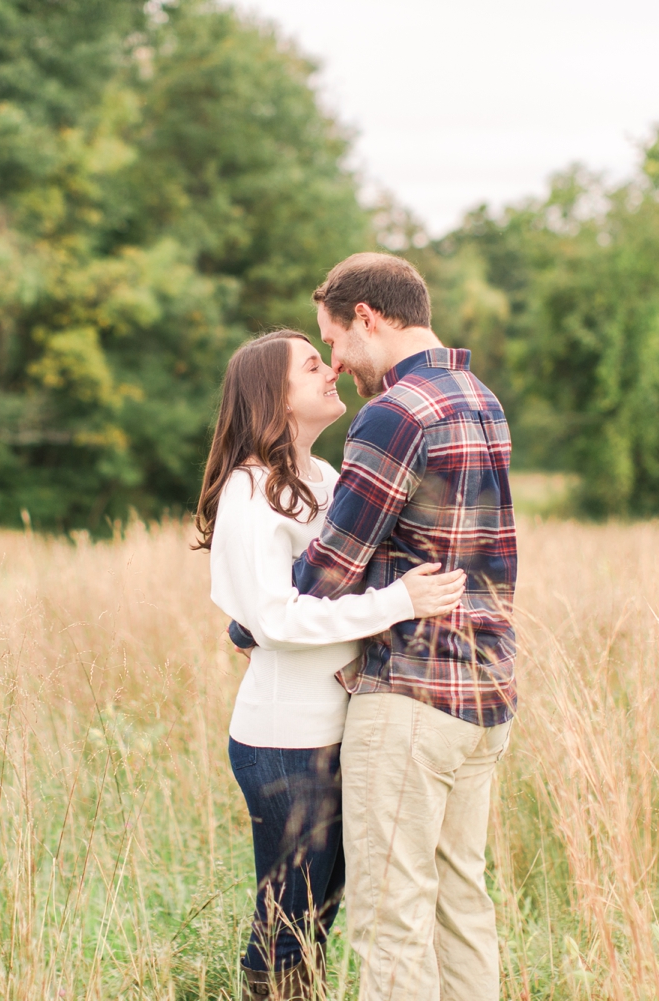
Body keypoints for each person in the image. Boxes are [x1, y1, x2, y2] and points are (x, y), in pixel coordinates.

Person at [229, 254, 518, 1001]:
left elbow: (331, 566)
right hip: (485, 692)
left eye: (335, 341)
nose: (337, 363)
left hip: (412, 695)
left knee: (390, 920)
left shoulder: (394, 413)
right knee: (463, 907)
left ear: (367, 317)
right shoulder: (480, 398)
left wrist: (248, 623)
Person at [195, 329, 468, 1001]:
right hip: (285, 739)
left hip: (339, 728)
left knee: (323, 910)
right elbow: (279, 619)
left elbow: (319, 585)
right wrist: (397, 602)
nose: (332, 370)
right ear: (273, 395)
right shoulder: (249, 490)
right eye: (313, 366)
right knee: (290, 919)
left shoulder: (326, 478)